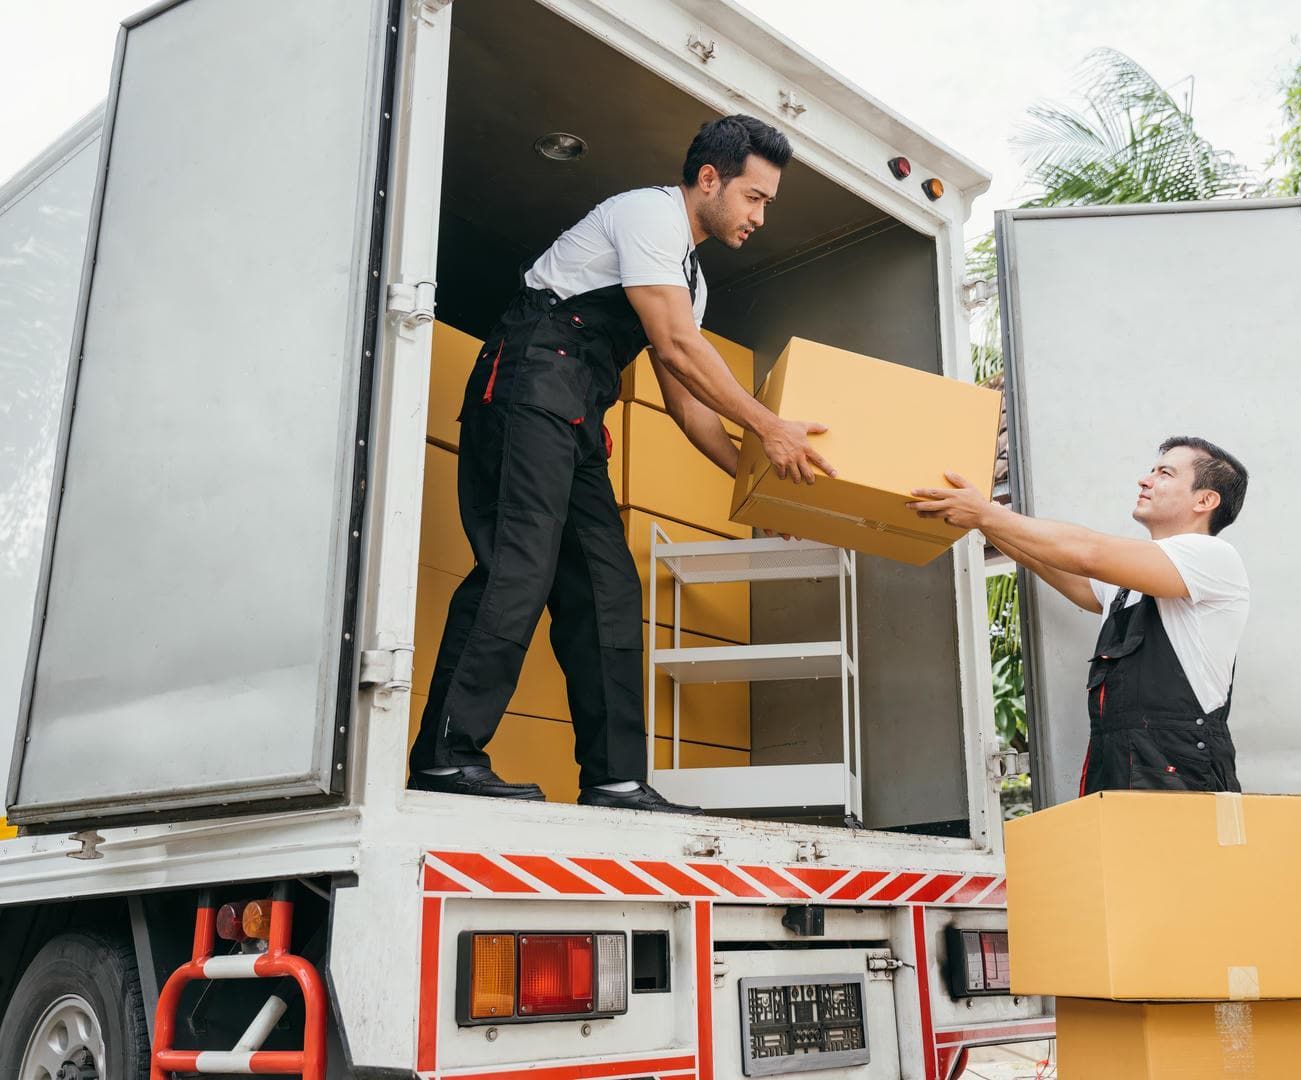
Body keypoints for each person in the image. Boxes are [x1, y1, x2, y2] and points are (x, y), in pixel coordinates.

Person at [409, 115, 834, 812]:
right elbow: (672, 346)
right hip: (525, 389)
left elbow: (688, 403)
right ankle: (446, 758)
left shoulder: (689, 281)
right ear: (709, 179)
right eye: (755, 197)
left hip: (575, 417)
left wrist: (752, 481)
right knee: (520, 568)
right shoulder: (646, 216)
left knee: (608, 593)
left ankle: (615, 780)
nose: (761, 216)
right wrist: (768, 425)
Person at [908, 437, 1249, 795]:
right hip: (1119, 766)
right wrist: (990, 522)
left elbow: (1086, 554)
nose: (1145, 480)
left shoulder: (1213, 557)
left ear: (1206, 500)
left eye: (1164, 473)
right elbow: (1058, 567)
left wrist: (987, 514)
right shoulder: (1129, 583)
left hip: (1182, 777)